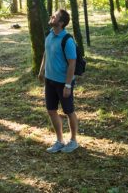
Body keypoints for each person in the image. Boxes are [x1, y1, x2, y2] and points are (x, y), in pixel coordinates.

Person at [38, 9, 79, 153]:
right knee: (51, 110)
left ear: (61, 23)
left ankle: (73, 141)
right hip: (50, 80)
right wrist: (41, 70)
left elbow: (72, 63)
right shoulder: (49, 35)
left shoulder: (67, 40)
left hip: (63, 82)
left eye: (55, 16)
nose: (51, 17)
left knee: (69, 111)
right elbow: (46, 52)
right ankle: (60, 140)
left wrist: (68, 85)